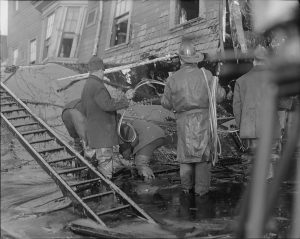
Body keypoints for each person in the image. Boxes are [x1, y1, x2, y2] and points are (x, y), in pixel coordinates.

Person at [161, 38, 226, 196]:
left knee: (185, 158)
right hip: (204, 121)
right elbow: (219, 96)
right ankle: (201, 193)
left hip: (183, 122)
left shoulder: (173, 79)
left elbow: (165, 103)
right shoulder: (206, 74)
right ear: (195, 57)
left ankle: (186, 190)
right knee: (203, 159)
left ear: (181, 58)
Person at [81, 55, 134, 179]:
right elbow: (107, 105)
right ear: (100, 70)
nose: (103, 73)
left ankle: (101, 185)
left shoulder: (87, 85)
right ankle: (107, 193)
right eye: (103, 71)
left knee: (105, 164)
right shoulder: (97, 85)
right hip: (103, 135)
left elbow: (96, 105)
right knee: (106, 169)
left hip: (94, 133)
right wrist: (125, 99)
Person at [233, 45, 280, 179]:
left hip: (249, 128)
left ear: (253, 61)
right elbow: (282, 103)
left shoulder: (240, 81)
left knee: (251, 161)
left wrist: (241, 126)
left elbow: (237, 108)